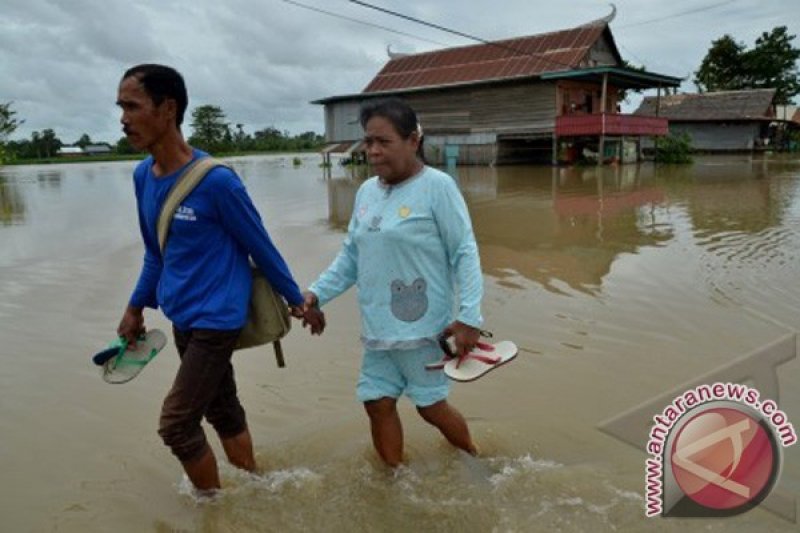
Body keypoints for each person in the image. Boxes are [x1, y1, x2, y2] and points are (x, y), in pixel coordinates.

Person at [115, 64, 324, 492]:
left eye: (132, 107)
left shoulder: (218, 184)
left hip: (217, 320)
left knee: (175, 425)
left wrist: (298, 301)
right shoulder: (142, 176)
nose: (123, 118)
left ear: (167, 109)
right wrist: (135, 307)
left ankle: (214, 508)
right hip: (181, 316)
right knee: (221, 409)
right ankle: (257, 485)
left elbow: (261, 247)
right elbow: (156, 253)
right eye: (120, 107)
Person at [305, 98, 483, 467]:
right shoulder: (367, 192)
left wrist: (470, 317)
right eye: (368, 142)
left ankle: (475, 459)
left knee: (430, 408)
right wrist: (316, 294)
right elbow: (351, 256)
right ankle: (394, 479)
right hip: (378, 328)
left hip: (422, 330)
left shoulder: (438, 187)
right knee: (376, 402)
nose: (373, 151)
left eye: (383, 142)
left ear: (413, 140)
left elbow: (464, 252)